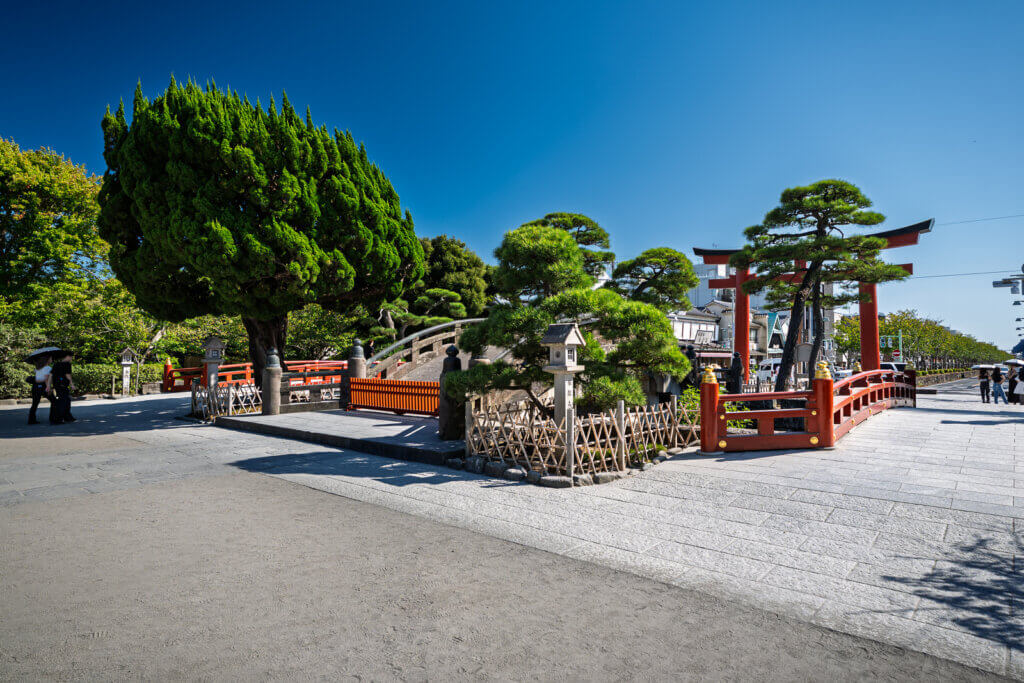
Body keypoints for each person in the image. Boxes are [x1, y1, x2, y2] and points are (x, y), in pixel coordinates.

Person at [46, 352, 76, 424]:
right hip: (63, 385)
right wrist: (72, 384)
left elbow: (50, 375)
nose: (72, 358)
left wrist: (48, 386)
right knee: (64, 402)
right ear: (67, 356)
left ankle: (67, 416)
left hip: (56, 385)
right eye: (71, 356)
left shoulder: (56, 364)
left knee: (65, 401)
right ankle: (57, 419)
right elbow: (68, 375)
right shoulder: (67, 364)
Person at [27, 355, 51, 425]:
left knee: (35, 404)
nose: (51, 359)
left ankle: (31, 420)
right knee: (54, 401)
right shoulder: (47, 368)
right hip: (43, 387)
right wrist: (48, 388)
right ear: (47, 360)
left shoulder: (38, 367)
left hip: (35, 387)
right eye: (50, 358)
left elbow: (38, 378)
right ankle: (55, 418)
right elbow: (46, 379)